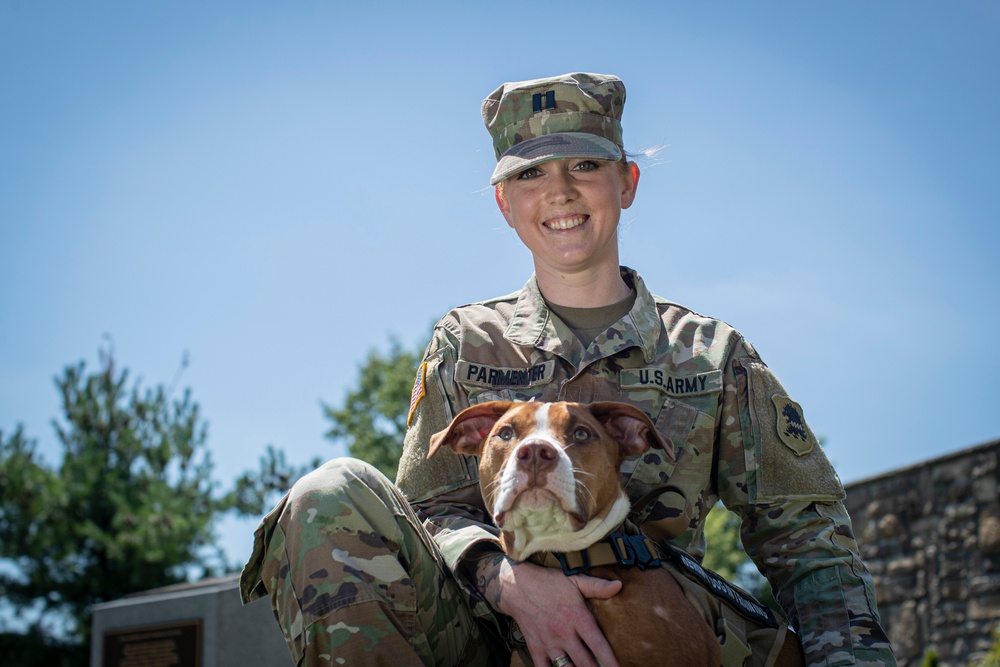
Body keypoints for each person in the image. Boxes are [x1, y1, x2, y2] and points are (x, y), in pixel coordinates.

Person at [240, 72, 896, 667]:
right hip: (483, 631)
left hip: (650, 630)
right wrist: (511, 582)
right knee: (328, 493)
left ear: (627, 183)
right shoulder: (466, 341)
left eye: (585, 164)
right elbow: (428, 511)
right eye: (531, 174)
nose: (559, 191)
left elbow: (811, 542)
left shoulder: (711, 355)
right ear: (504, 201)